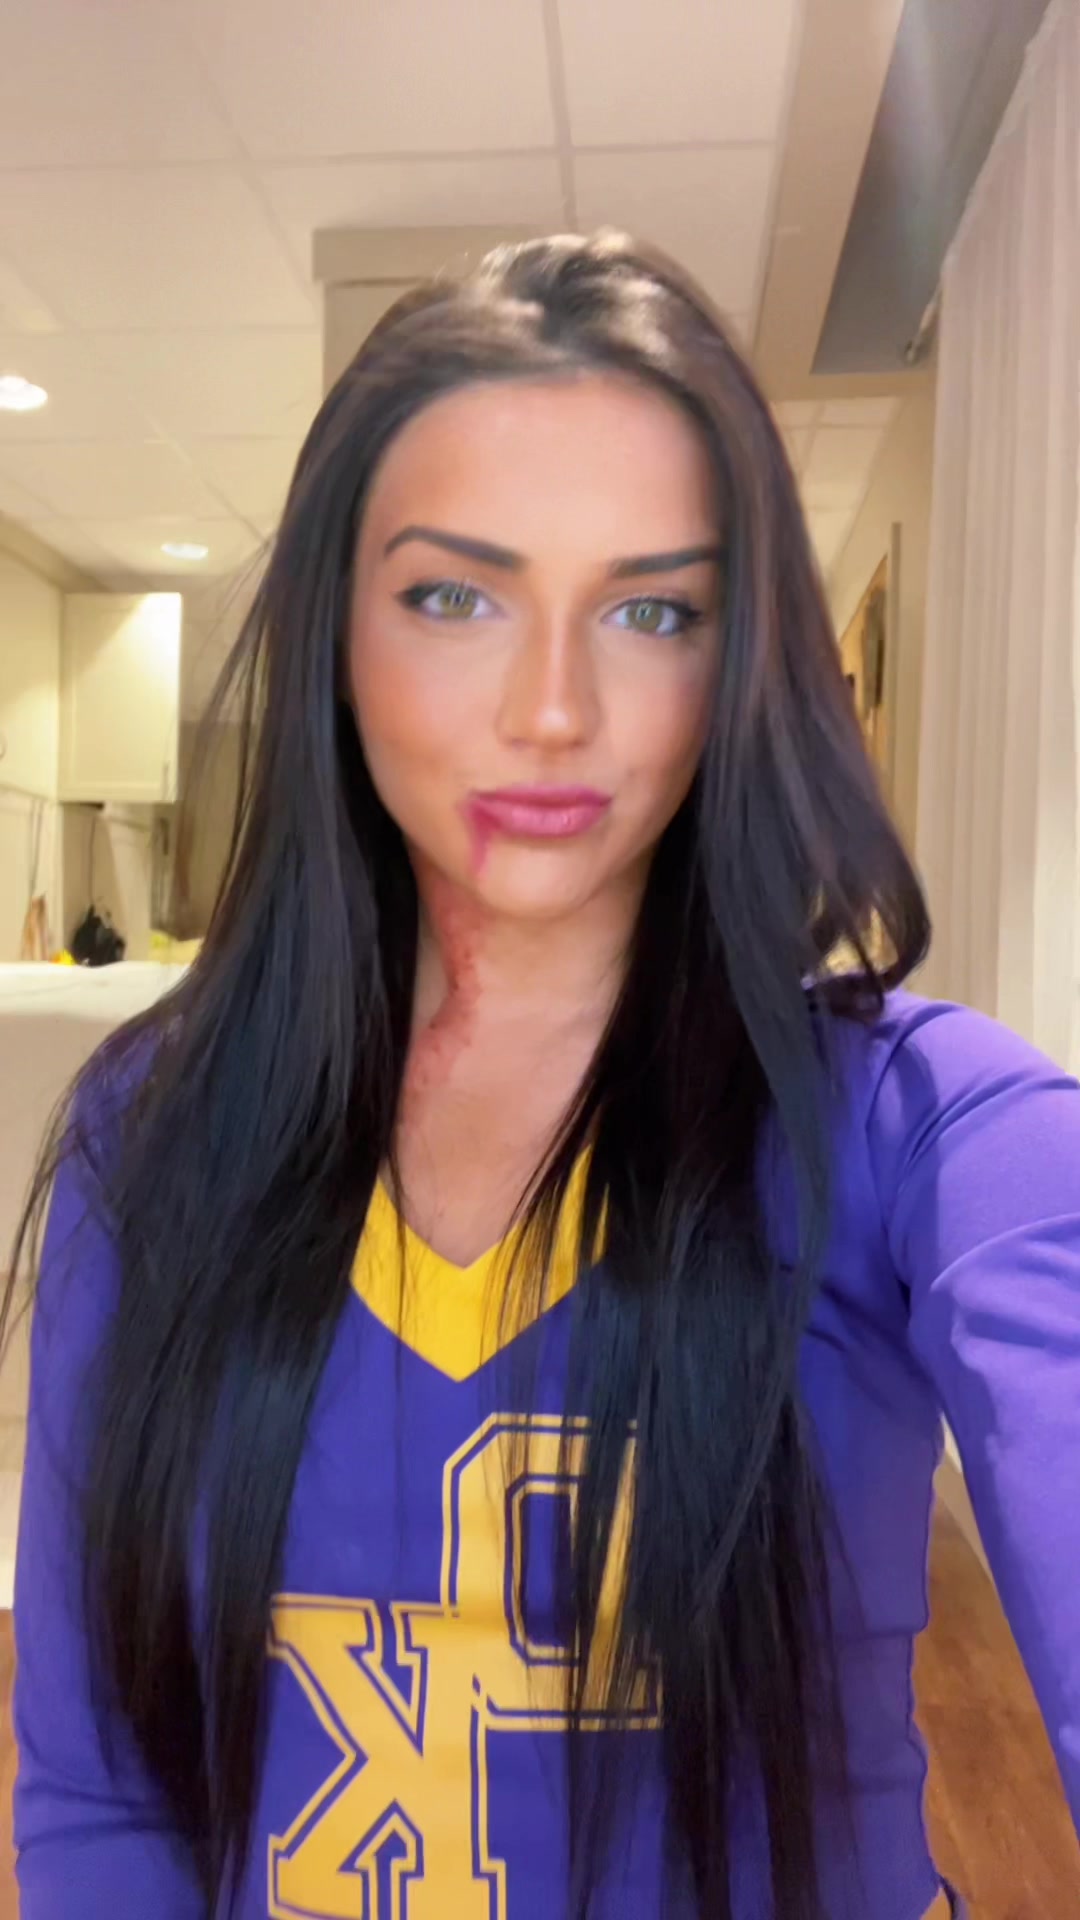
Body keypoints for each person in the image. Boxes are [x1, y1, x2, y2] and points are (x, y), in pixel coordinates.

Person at [7, 233, 1079, 1920]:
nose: (554, 708)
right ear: (334, 632)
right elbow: (100, 1794)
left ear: (740, 664)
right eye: (455, 596)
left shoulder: (921, 1132)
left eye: (653, 611)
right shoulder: (155, 1134)